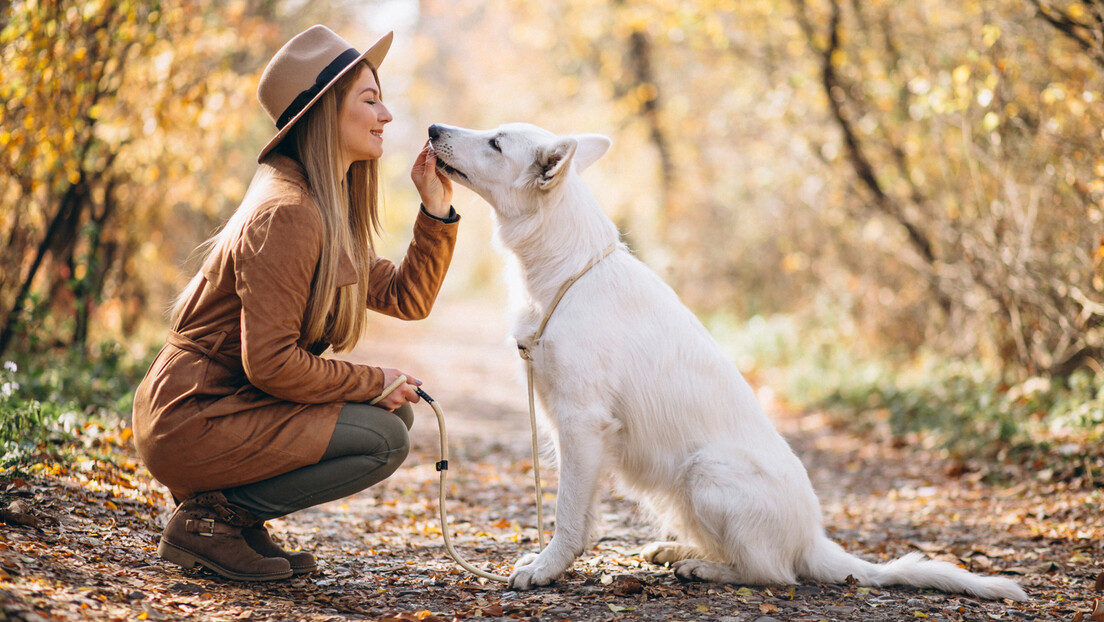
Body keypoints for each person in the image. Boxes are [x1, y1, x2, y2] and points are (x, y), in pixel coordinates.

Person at [131, 25, 457, 582]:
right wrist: (371, 378)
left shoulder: (322, 209)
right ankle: (213, 522)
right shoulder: (289, 213)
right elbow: (273, 364)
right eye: (371, 99)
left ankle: (233, 521)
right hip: (195, 414)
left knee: (393, 413)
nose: (388, 115)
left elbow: (408, 297)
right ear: (327, 112)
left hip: (225, 404)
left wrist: (436, 210)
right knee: (383, 436)